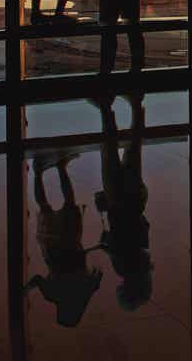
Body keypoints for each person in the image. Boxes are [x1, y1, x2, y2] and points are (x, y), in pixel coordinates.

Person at [25, 151, 102, 328]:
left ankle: (61, 168)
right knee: (45, 207)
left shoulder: (86, 290)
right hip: (52, 247)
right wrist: (25, 290)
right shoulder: (53, 295)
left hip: (71, 241)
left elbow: (96, 270)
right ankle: (38, 173)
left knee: (69, 202)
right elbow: (37, 279)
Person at [95, 93, 153, 312]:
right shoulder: (123, 268)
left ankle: (137, 106)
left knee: (133, 148)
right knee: (109, 151)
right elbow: (112, 240)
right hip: (118, 201)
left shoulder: (144, 259)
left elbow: (144, 225)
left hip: (137, 199)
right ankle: (105, 109)